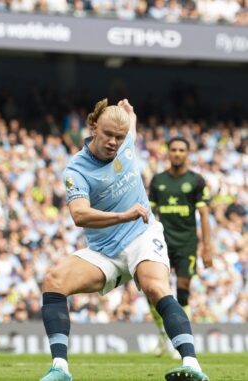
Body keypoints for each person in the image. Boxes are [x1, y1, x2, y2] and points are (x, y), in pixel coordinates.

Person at [38, 99, 208, 381]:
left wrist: (128, 113)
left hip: (142, 234)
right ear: (93, 127)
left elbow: (131, 126)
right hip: (105, 250)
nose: (115, 142)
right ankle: (60, 368)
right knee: (53, 281)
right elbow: (79, 215)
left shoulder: (127, 141)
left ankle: (192, 364)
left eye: (120, 136)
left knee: (155, 287)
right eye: (108, 135)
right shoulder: (76, 170)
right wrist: (122, 215)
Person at [148, 136, 212, 357]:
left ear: (187, 153)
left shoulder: (196, 181)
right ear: (168, 152)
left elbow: (204, 215)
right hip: (160, 243)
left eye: (181, 150)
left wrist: (207, 247)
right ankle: (163, 335)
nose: (177, 153)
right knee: (154, 290)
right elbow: (149, 214)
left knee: (183, 289)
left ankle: (181, 338)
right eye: (173, 149)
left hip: (186, 243)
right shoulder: (158, 181)